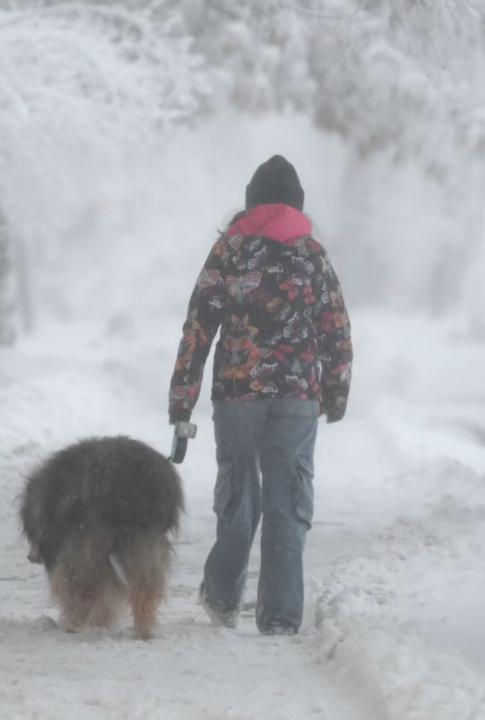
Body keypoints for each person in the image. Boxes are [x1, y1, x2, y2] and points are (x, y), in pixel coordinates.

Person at [168, 154, 352, 636]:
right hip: (296, 398)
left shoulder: (229, 251)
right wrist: (334, 392)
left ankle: (224, 596)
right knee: (287, 501)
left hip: (238, 395)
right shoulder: (312, 255)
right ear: (298, 206)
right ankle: (281, 615)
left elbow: (198, 326)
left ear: (249, 202)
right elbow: (335, 328)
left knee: (240, 494)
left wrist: (182, 399)